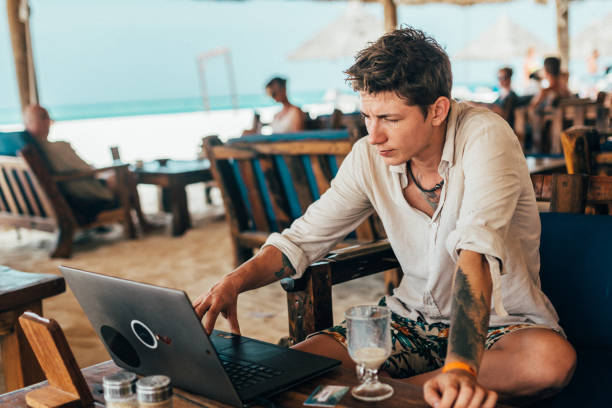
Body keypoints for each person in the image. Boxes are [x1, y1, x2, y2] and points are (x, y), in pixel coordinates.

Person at [194, 28, 576, 408]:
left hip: (501, 327)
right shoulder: (368, 156)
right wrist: (232, 283)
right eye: (367, 117)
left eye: (390, 119)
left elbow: (473, 255)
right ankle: (416, 393)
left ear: (438, 110)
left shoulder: (486, 137)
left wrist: (461, 366)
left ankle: (399, 392)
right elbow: (302, 240)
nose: (373, 135)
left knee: (550, 363)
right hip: (407, 321)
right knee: (298, 365)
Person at [23, 105, 150, 227]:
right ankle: (138, 223)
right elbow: (87, 170)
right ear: (44, 121)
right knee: (125, 175)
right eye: (49, 119)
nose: (51, 123)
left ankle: (127, 220)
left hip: (40, 202)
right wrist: (105, 172)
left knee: (115, 175)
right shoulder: (58, 148)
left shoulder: (22, 150)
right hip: (80, 196)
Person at [528, 57, 572, 152]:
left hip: (547, 136)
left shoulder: (545, 92)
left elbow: (531, 107)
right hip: (564, 130)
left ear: (545, 71)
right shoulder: (565, 91)